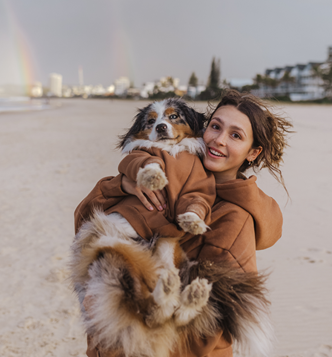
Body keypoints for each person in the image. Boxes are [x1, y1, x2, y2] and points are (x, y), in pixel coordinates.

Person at [74, 90, 293, 357]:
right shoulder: (167, 171)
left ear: (253, 152)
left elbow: (208, 328)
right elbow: (83, 218)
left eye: (236, 135)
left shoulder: (234, 218)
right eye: (215, 127)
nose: (219, 140)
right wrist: (121, 184)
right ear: (202, 128)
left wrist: (114, 324)